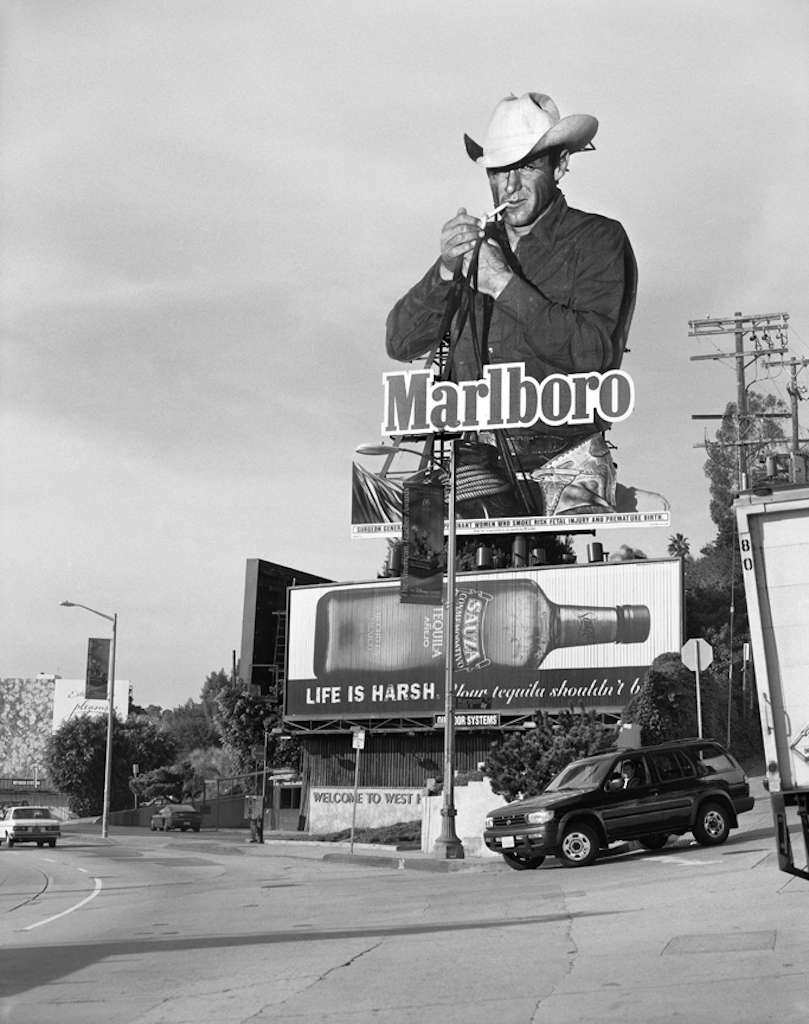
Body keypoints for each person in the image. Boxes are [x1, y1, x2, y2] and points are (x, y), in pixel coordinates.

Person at [386, 91, 637, 516]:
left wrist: (503, 283)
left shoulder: (598, 240)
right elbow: (401, 340)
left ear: (559, 166)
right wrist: (447, 270)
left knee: (561, 575)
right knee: (443, 562)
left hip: (567, 455)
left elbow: (594, 354)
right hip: (478, 458)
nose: (511, 186)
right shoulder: (476, 248)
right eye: (500, 171)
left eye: (526, 167)